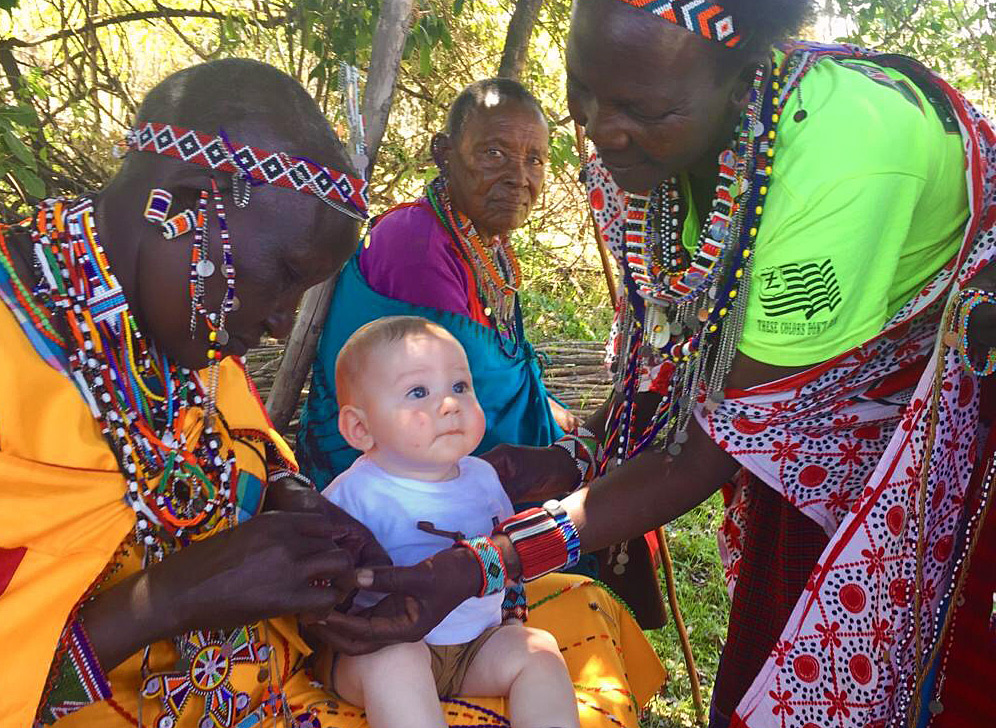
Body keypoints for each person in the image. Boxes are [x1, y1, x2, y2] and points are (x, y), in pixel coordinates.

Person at [320, 2, 996, 727]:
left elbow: (709, 447)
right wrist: (579, 451)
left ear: (738, 83)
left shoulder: (843, 163)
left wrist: (493, 559)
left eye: (640, 107)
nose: (600, 128)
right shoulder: (666, 148)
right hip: (803, 423)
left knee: (872, 658)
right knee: (783, 638)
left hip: (919, 423)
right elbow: (681, 359)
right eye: (583, 89)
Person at [0, 57, 663, 728]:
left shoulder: (181, 328)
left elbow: (240, 460)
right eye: (285, 275)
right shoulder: (29, 341)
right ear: (182, 202)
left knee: (579, 614)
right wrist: (169, 598)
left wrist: (301, 509)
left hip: (285, 671)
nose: (283, 323)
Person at [296, 78, 577, 490]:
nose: (519, 177)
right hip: (394, 491)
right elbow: (451, 405)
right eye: (494, 153)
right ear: (444, 154)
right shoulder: (415, 243)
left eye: (535, 159)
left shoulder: (484, 244)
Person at [320, 316, 579, 728]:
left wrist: (511, 616)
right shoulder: (352, 496)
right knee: (396, 660)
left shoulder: (484, 477)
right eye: (418, 392)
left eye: (460, 386)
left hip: (475, 645)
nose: (448, 403)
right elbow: (319, 575)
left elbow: (508, 561)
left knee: (537, 651)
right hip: (380, 647)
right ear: (360, 428)